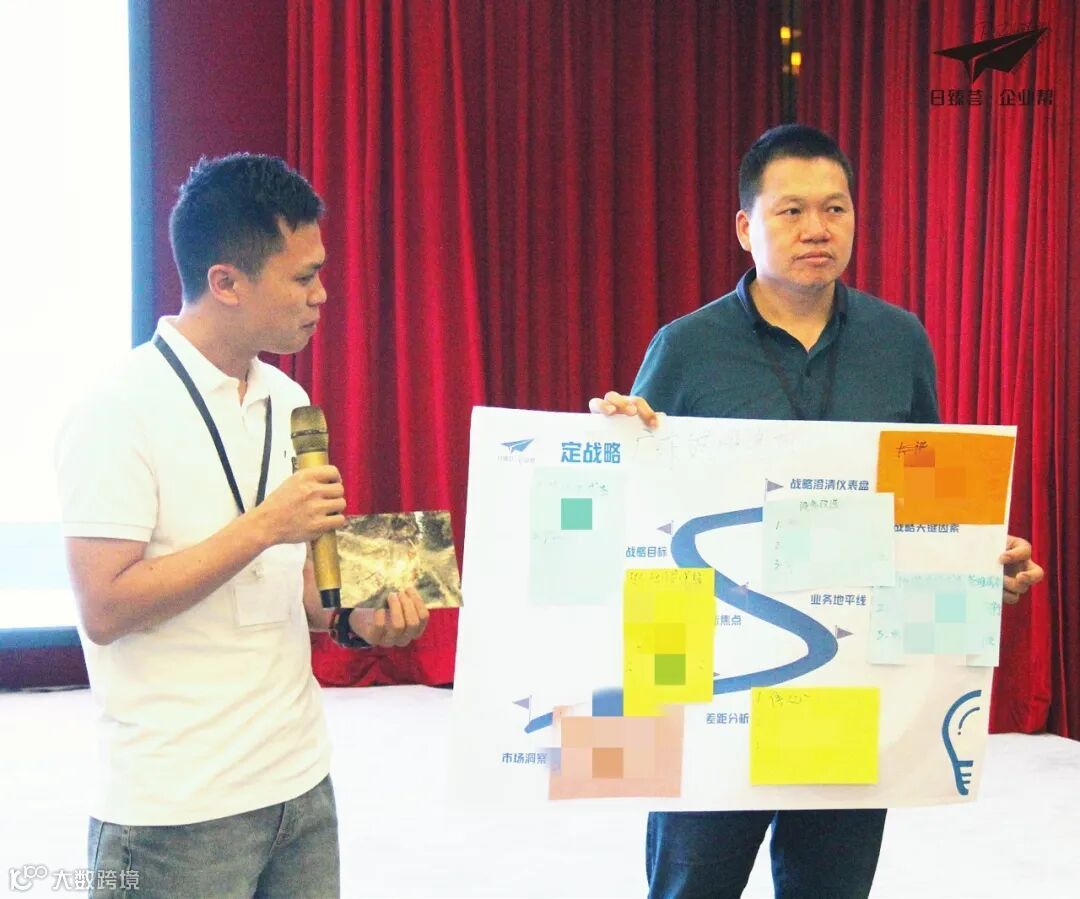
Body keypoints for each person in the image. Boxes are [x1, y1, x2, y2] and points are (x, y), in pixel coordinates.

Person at [589, 124, 1044, 898]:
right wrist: (618, 438)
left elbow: (926, 501)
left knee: (830, 884)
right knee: (693, 881)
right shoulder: (687, 346)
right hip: (723, 678)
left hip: (848, 670)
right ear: (746, 227)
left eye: (835, 208)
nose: (817, 229)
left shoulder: (899, 340)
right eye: (791, 210)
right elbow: (634, 509)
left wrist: (979, 559)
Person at [55, 154, 429, 898]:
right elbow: (105, 607)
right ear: (225, 282)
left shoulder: (289, 398)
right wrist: (262, 527)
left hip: (300, 785)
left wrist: (361, 615)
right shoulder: (115, 409)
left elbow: (296, 587)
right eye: (302, 277)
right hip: (175, 810)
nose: (322, 294)